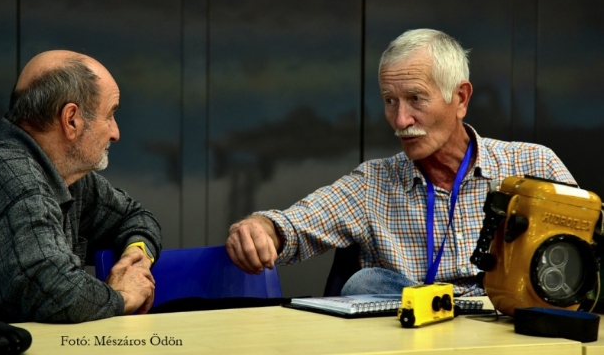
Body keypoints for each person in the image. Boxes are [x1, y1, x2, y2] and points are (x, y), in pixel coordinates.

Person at [225, 28, 575, 297]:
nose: (400, 120)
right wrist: (260, 228)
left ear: (460, 98)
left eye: (415, 98)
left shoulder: (533, 164)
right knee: (365, 283)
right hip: (415, 338)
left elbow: (587, 254)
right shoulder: (373, 184)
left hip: (510, 334)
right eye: (390, 101)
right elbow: (292, 225)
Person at [0, 50, 162, 323]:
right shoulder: (8, 174)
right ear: (71, 119)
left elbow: (135, 217)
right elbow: (56, 293)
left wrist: (136, 257)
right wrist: (124, 296)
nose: (116, 133)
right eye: (110, 115)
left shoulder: (68, 177)